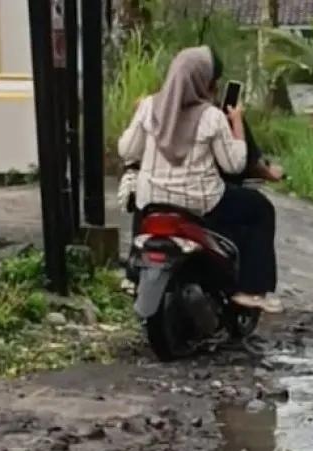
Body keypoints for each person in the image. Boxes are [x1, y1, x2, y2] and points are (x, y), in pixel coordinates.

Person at [118, 46, 282, 314]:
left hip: (152, 200)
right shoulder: (212, 117)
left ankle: (132, 275)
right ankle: (251, 290)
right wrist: (237, 123)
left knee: (141, 197)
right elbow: (234, 164)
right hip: (200, 202)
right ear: (205, 82)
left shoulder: (149, 107)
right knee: (261, 209)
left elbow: (126, 151)